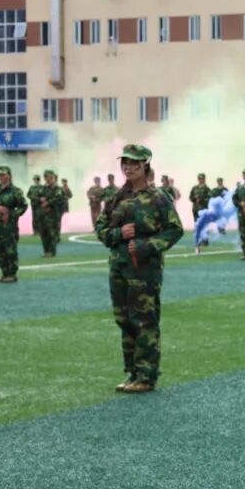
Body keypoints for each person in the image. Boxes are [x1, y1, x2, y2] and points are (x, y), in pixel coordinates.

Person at [95, 144, 183, 393]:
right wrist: (117, 234)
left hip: (144, 270)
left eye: (134, 163)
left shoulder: (158, 198)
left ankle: (146, 376)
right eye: (125, 162)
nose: (129, 167)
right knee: (124, 320)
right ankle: (133, 373)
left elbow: (174, 229)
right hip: (119, 267)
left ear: (145, 165)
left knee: (144, 320)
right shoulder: (117, 197)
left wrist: (147, 246)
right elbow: (101, 227)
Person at [0, 165, 28, 284]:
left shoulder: (16, 191)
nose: (0, 177)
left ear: (8, 175)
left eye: (3, 174)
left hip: (10, 226)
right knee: (0, 250)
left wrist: (11, 214)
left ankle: (11, 274)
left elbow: (23, 206)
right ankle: (4, 273)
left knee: (10, 250)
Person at [37, 170, 66, 257]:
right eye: (46, 177)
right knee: (44, 233)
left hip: (53, 214)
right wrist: (40, 200)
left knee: (52, 233)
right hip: (43, 214)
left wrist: (48, 203)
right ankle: (46, 251)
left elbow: (58, 198)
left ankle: (52, 251)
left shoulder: (57, 188)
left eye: (49, 177)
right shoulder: (43, 188)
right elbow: (35, 196)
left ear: (53, 177)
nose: (47, 179)